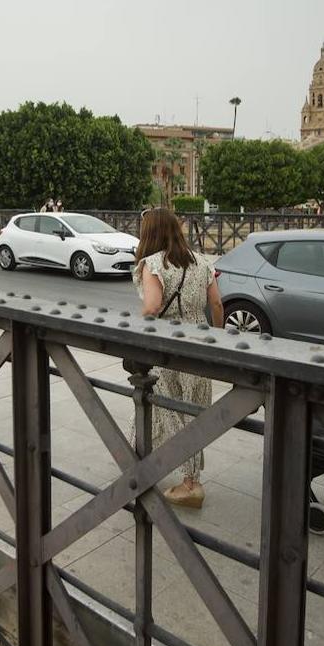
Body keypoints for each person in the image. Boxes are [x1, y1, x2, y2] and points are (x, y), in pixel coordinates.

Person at [132, 208, 223, 508]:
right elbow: (217, 303)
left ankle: (190, 482)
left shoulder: (153, 263)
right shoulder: (200, 261)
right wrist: (217, 337)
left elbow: (153, 306)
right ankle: (145, 456)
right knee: (193, 411)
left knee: (169, 408)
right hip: (201, 342)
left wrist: (142, 322)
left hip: (168, 346)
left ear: (150, 233)